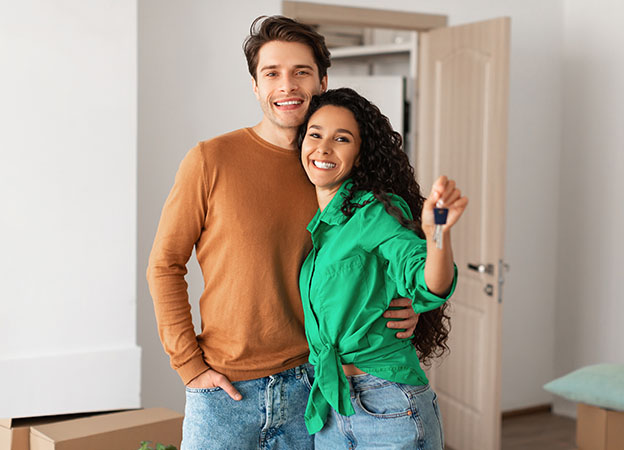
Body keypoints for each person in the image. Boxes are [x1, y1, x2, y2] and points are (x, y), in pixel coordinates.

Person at [146, 16, 419, 450]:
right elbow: (164, 264)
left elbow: (378, 257)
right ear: (255, 86)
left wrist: (406, 306)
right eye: (272, 73)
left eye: (301, 72)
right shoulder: (209, 160)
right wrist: (189, 365)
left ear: (322, 81)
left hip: (313, 388)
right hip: (224, 395)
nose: (286, 85)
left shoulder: (335, 171)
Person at [296, 88, 468, 449]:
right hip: (332, 407)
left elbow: (427, 283)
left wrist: (437, 234)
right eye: (315, 134)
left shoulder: (374, 211)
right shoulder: (320, 222)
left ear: (359, 156)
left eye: (341, 139)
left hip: (387, 405)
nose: (324, 148)